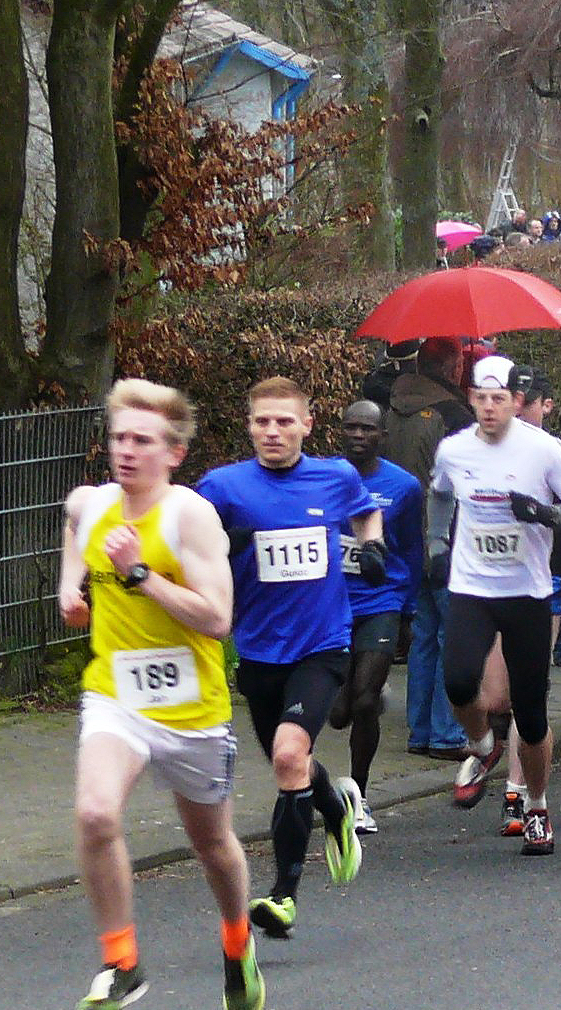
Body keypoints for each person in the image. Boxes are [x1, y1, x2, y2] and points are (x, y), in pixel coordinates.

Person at [60, 379, 262, 1010]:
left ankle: (237, 940)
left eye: (142, 441)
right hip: (115, 692)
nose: (126, 450)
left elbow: (218, 618)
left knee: (212, 844)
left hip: (191, 709)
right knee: (95, 814)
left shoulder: (188, 516)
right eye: (119, 437)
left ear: (172, 453)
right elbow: (73, 520)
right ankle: (121, 960)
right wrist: (72, 588)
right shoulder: (93, 504)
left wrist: (140, 575)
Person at [197, 378, 380, 936]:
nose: (272, 432)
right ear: (248, 425)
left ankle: (283, 897)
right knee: (291, 763)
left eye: (283, 422)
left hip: (322, 644)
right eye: (261, 422)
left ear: (306, 424)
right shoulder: (222, 487)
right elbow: (187, 537)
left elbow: (364, 512)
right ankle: (337, 809)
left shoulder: (336, 475)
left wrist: (371, 546)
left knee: (286, 756)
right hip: (257, 648)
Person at [429, 355, 561, 855]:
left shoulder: (542, 450)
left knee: (532, 713)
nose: (487, 408)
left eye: (497, 399)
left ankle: (537, 805)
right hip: (471, 586)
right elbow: (438, 495)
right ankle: (483, 747)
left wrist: (544, 513)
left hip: (526, 593)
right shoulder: (453, 449)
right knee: (458, 681)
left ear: (516, 401)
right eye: (479, 398)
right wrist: (438, 544)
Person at [326, 399, 424, 834]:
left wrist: (409, 611)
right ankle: (364, 691)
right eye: (351, 428)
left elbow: (411, 549)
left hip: (381, 601)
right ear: (340, 432)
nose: (358, 436)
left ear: (382, 436)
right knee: (337, 713)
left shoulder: (402, 486)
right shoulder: (322, 477)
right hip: (330, 603)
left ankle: (359, 797)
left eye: (368, 429)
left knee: (363, 703)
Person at [383, 338, 475, 760]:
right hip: (446, 537)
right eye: (459, 362)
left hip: (403, 537)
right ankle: (445, 732)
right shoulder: (453, 414)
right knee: (450, 637)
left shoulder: (391, 407)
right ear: (452, 367)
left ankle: (420, 729)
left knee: (422, 637)